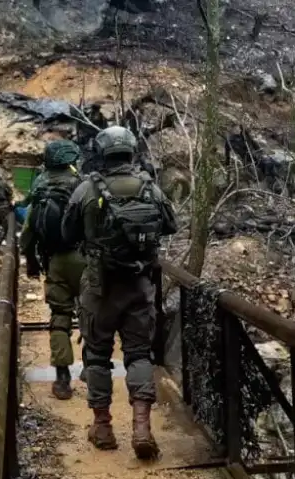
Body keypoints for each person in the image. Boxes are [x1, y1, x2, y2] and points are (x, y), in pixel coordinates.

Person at [61, 126, 177, 459]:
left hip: (100, 289)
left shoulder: (86, 189)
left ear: (102, 153)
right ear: (131, 152)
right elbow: (171, 225)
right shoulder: (150, 188)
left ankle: (103, 427)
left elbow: (67, 234)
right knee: (139, 355)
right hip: (140, 287)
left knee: (97, 356)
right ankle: (142, 428)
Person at [21, 139, 86, 400]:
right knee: (91, 313)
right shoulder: (81, 185)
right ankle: (93, 369)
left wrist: (31, 261)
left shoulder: (39, 187)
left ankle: (62, 379)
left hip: (55, 261)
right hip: (84, 258)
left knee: (60, 317)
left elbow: (27, 232)